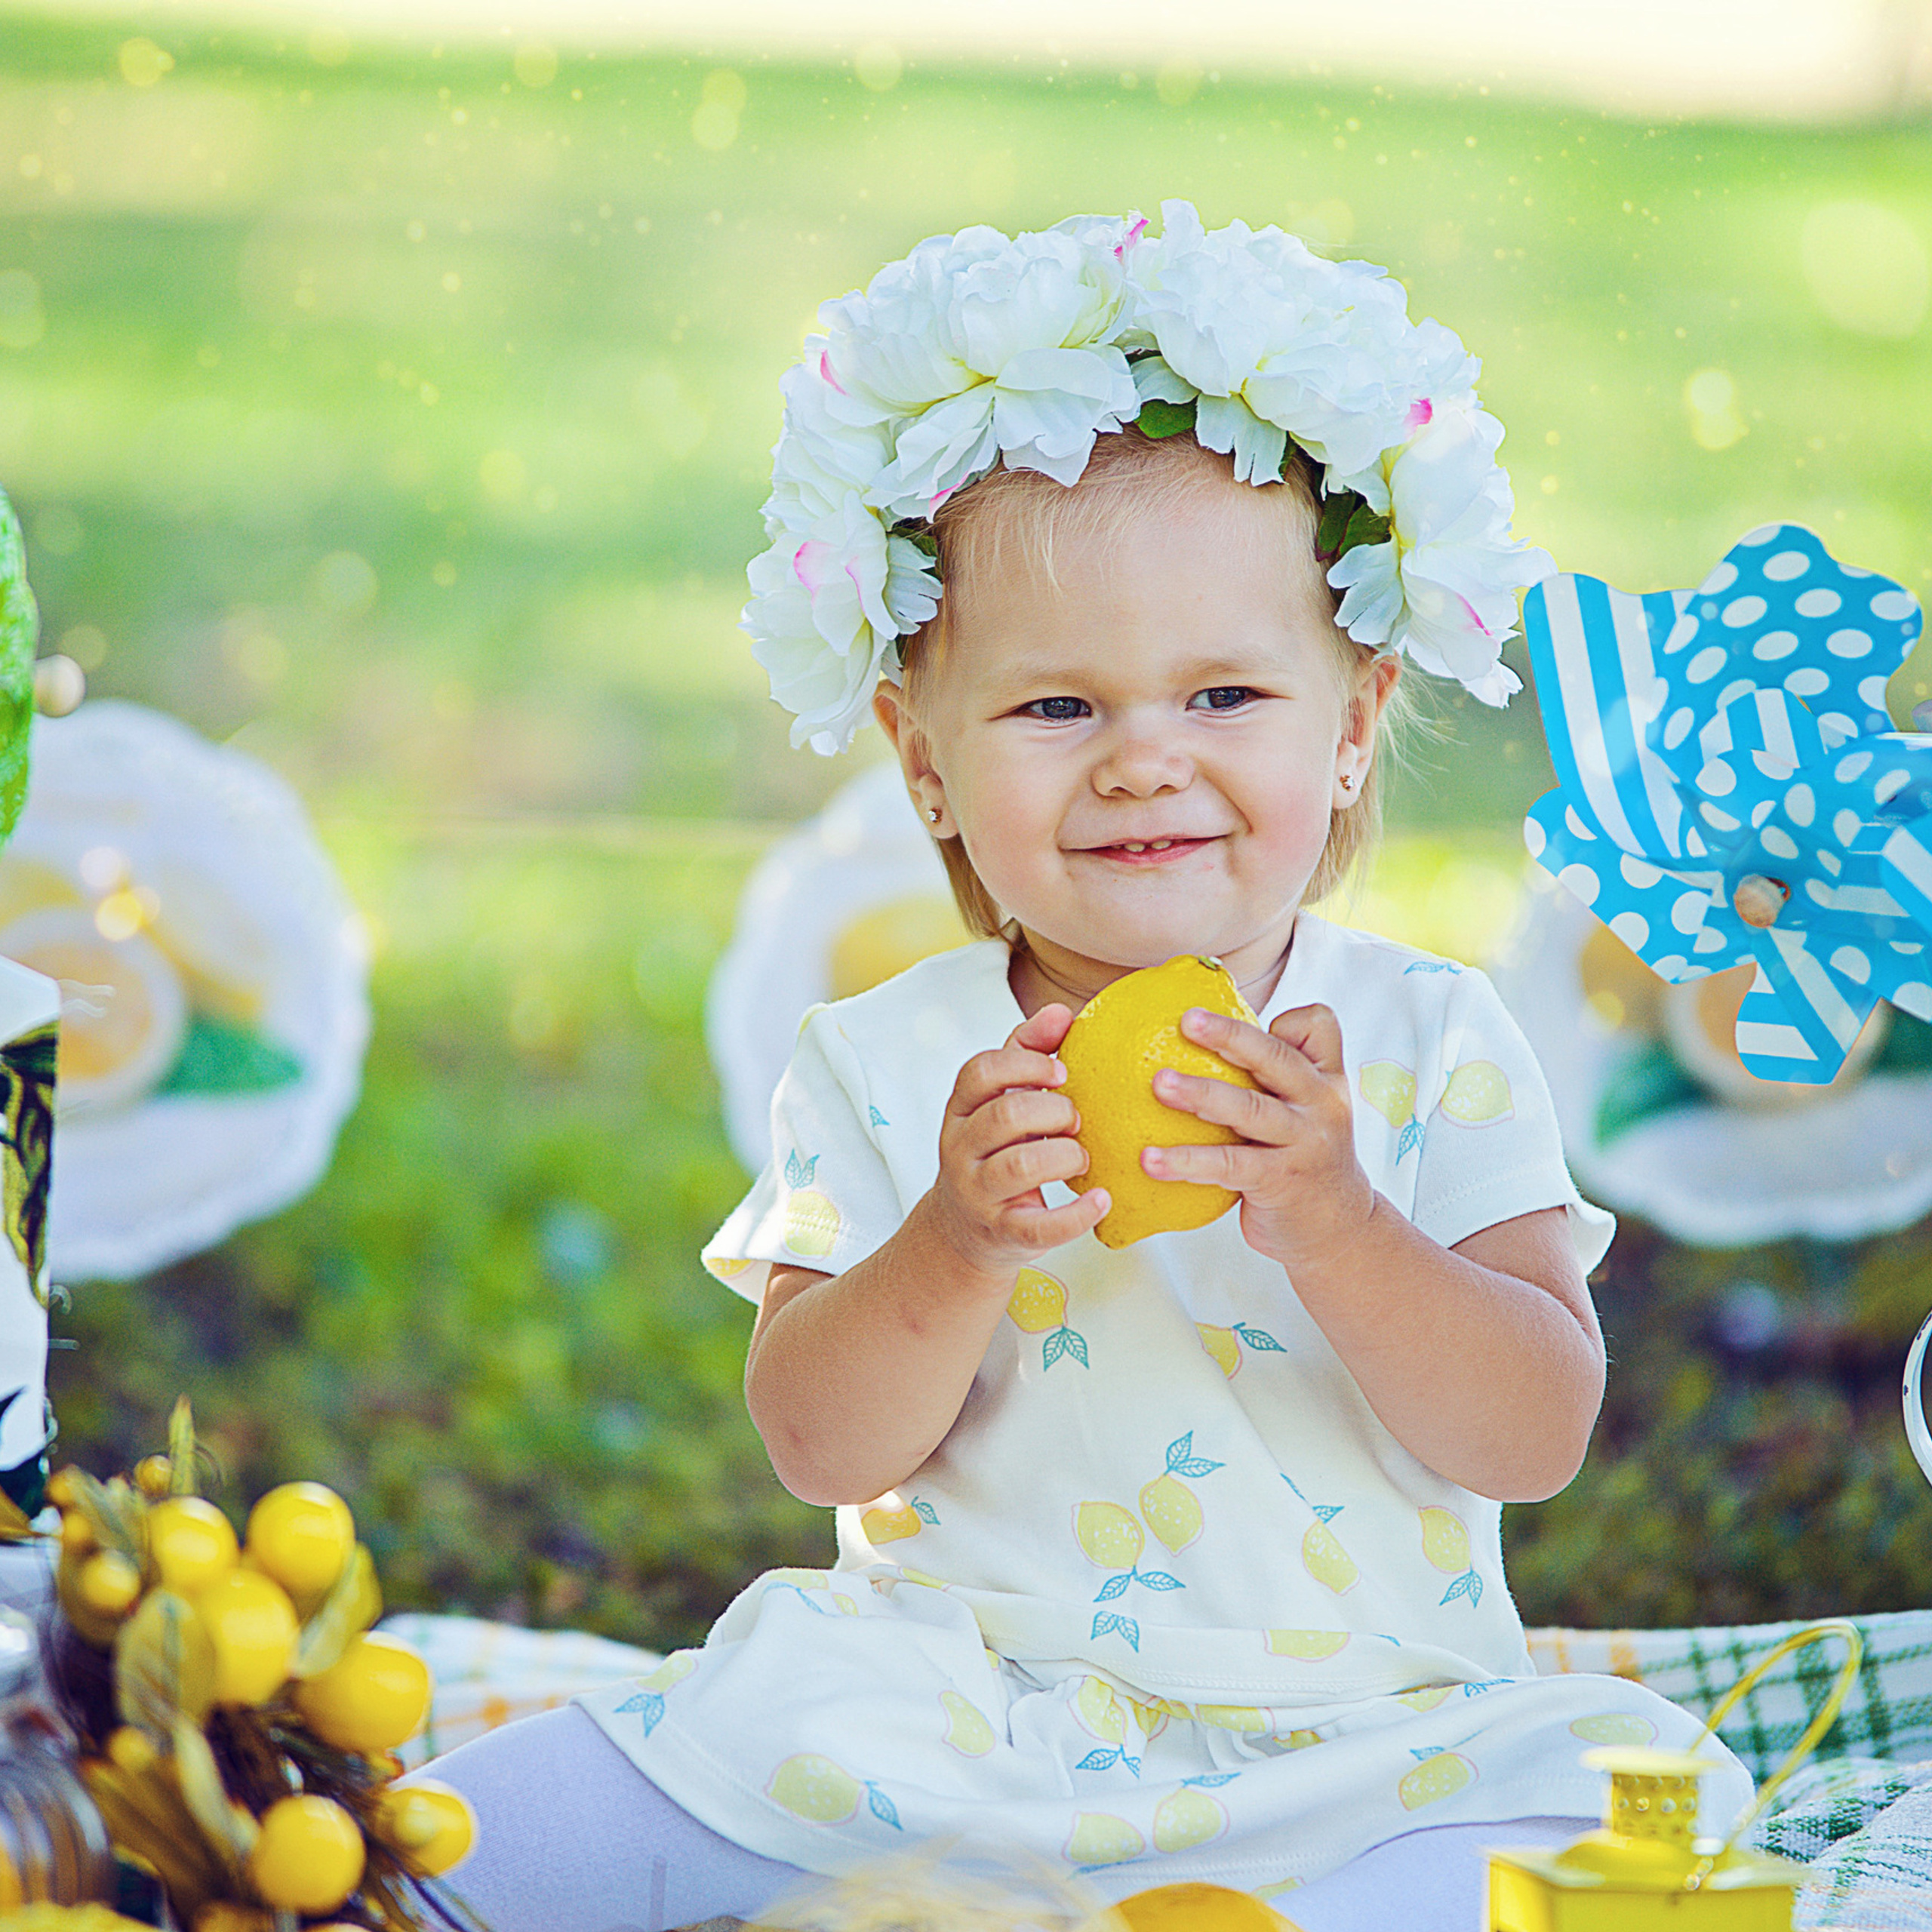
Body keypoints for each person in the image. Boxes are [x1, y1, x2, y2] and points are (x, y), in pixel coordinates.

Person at [420, 204, 1751, 1932]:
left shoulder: (1422, 1039)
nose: (1141, 762)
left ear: (1350, 726)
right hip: (953, 1704)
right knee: (500, 1821)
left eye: (1222, 696)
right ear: (921, 759)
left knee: (1623, 1807)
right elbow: (817, 1442)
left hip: (1354, 1734)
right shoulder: (884, 1056)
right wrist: (951, 1241)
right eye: (1056, 708)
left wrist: (1337, 1220)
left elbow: (1533, 1429)